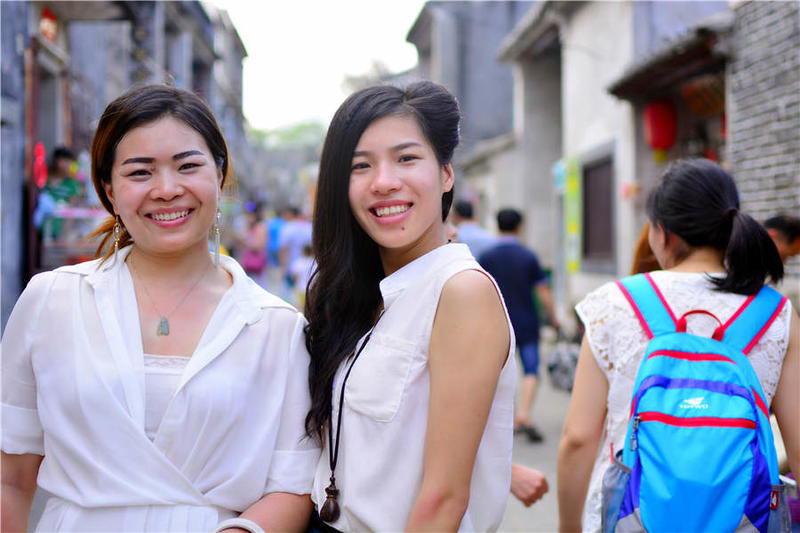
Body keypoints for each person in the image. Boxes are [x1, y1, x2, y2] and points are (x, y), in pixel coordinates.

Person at [1, 84, 318, 532]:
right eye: (140, 172)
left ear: (219, 176)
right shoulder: (52, 299)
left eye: (188, 166)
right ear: (109, 190)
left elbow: (293, 486)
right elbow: (10, 479)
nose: (167, 190)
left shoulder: (277, 327)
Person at [304, 81, 516, 532]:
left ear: (446, 174)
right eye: (361, 166)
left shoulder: (461, 292)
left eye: (406, 158)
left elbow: (443, 499)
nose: (384, 182)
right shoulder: (367, 295)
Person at [557, 158, 799, 532]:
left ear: (663, 233)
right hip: (742, 520)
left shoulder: (613, 303)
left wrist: (568, 527)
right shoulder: (776, 314)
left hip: (630, 518)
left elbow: (578, 439)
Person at [479, 208, 560, 443]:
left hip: (497, 322)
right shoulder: (527, 255)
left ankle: (508, 417)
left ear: (497, 226)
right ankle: (524, 415)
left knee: (500, 371)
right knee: (531, 370)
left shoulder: (487, 256)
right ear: (519, 227)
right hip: (527, 321)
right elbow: (543, 291)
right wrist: (553, 317)